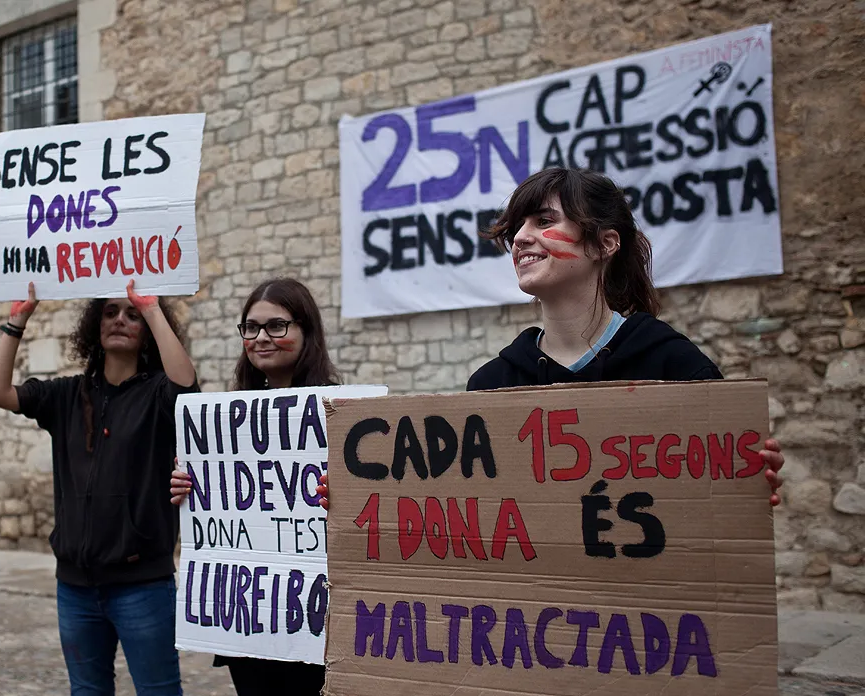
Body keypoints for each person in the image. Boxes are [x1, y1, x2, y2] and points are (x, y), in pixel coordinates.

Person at [316, 166, 784, 505]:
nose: (519, 238)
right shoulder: (491, 386)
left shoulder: (678, 368)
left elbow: (717, 510)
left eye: (543, 221)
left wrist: (744, 485)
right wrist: (358, 493)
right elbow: (462, 506)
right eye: (516, 227)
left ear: (605, 243)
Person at [0, 279, 196, 696]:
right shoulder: (66, 395)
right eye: (111, 311)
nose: (120, 319)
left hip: (143, 586)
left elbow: (185, 385)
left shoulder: (158, 394)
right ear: (94, 324)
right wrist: (17, 320)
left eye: (131, 314)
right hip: (75, 590)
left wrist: (152, 308)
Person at [167, 277, 336, 696]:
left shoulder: (340, 415)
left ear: (306, 332)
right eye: (251, 327)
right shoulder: (224, 425)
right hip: (250, 619)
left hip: (316, 620)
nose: (261, 337)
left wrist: (343, 492)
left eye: (277, 326)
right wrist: (189, 487)